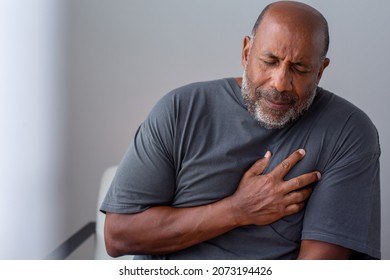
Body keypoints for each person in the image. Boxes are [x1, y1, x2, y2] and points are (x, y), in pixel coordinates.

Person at [100, 1, 381, 259]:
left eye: (300, 68)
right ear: (246, 52)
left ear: (320, 71)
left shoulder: (348, 132)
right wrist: (237, 210)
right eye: (269, 61)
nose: (281, 82)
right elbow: (118, 236)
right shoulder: (180, 109)